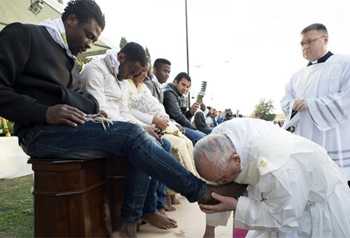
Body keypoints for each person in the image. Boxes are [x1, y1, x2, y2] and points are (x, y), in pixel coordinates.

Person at [0, 1, 247, 237]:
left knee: (144, 141)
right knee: (132, 135)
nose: (89, 44)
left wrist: (89, 108)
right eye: (88, 35)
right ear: (71, 20)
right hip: (38, 133)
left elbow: (83, 100)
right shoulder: (24, 35)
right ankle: (200, 192)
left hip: (68, 128)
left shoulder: (67, 58)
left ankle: (130, 223)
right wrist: (43, 112)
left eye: (94, 40)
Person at [194, 118, 350, 238]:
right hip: (278, 198)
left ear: (236, 159)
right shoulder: (218, 138)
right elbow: (215, 185)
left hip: (309, 206)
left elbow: (283, 218)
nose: (220, 184)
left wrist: (236, 206)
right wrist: (210, 230)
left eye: (223, 179)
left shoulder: (279, 171)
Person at [80, 46, 177, 230]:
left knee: (162, 144)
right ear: (121, 57)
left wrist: (146, 127)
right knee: (143, 144)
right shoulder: (94, 70)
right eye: (131, 71)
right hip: (101, 128)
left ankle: (151, 208)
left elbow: (124, 112)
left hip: (121, 128)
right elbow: (101, 112)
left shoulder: (121, 79)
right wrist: (138, 129)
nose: (131, 76)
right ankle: (134, 216)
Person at [124, 59, 199, 212]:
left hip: (159, 125)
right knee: (172, 145)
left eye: (146, 71)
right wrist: (154, 120)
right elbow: (126, 110)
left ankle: (187, 186)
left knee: (186, 142)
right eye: (142, 70)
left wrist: (165, 120)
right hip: (145, 126)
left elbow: (160, 109)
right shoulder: (126, 84)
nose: (144, 74)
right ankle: (164, 199)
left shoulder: (144, 86)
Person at [280, 23, 350, 186]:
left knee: (339, 186)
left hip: (335, 137)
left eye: (310, 41)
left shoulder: (344, 63)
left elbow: (347, 97)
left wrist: (311, 105)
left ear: (325, 39)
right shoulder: (297, 75)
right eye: (302, 44)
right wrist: (293, 106)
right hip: (306, 136)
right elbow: (286, 101)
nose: (305, 47)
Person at [163, 72, 206, 145]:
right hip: (171, 125)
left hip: (178, 125)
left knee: (204, 136)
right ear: (175, 82)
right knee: (202, 138)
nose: (185, 88)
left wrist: (190, 112)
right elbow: (178, 116)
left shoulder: (180, 95)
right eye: (183, 85)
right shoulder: (169, 93)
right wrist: (193, 128)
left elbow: (183, 116)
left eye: (187, 86)